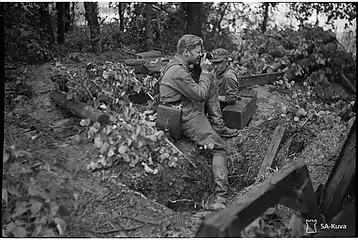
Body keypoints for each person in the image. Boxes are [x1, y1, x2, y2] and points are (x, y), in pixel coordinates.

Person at [159, 34, 236, 210]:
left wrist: (202, 71)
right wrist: (206, 71)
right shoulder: (178, 71)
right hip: (181, 114)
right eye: (198, 52)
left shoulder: (179, 64)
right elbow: (199, 94)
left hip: (183, 106)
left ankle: (218, 126)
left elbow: (203, 89)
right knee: (219, 148)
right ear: (186, 52)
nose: (201, 55)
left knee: (210, 86)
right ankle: (221, 198)